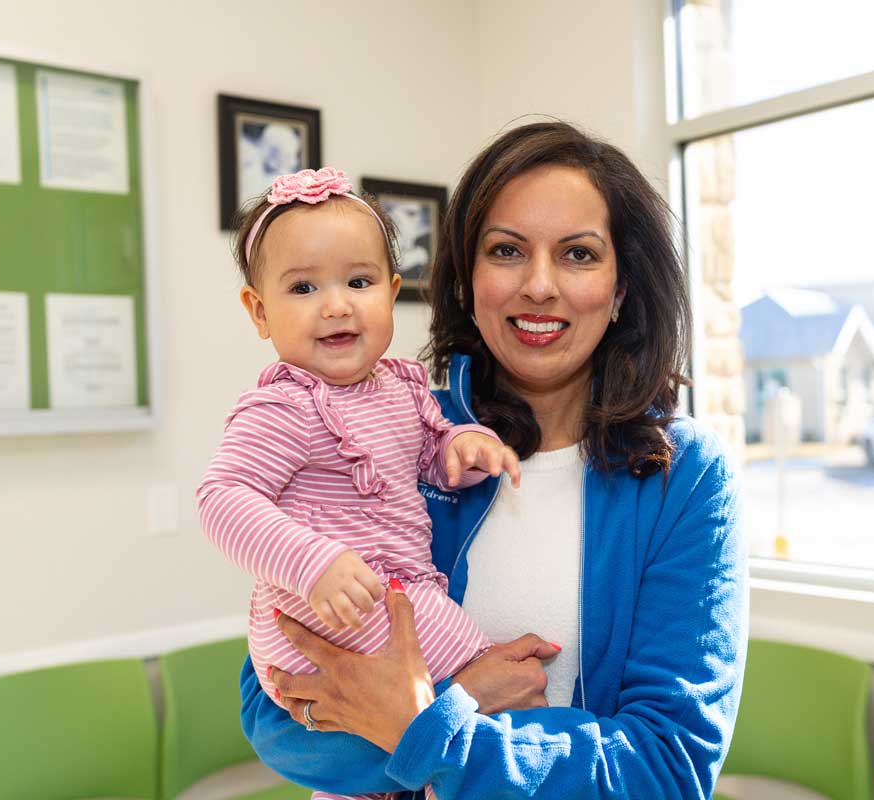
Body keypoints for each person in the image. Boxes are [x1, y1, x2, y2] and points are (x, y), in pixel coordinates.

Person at [241, 122, 748, 799]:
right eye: (507, 250)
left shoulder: (685, 478)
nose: (539, 286)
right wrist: (461, 701)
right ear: (468, 279)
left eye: (578, 254)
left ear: (622, 287)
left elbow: (665, 767)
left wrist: (432, 730)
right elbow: (273, 712)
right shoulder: (392, 431)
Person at [197, 167, 526, 800]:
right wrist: (313, 563)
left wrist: (462, 445)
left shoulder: (401, 387)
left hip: (380, 597)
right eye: (303, 287)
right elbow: (222, 500)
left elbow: (427, 454)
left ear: (392, 291)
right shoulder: (283, 407)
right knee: (504, 681)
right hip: (326, 606)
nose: (337, 304)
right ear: (259, 311)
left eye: (359, 281)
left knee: (391, 753)